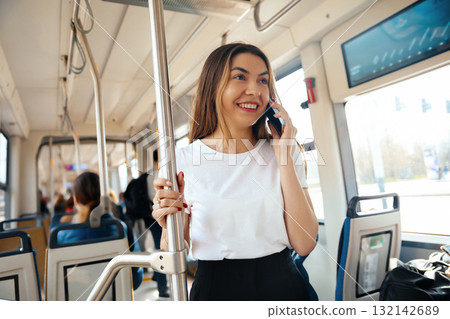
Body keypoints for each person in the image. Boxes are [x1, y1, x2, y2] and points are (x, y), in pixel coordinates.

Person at [152, 43, 319, 300]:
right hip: (215, 289)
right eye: (240, 77)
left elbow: (305, 242)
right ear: (213, 87)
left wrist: (283, 158)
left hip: (283, 285)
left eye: (263, 81)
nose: (254, 90)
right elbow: (174, 249)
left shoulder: (284, 149)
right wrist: (169, 225)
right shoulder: (179, 160)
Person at [51, 171, 143, 290]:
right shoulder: (121, 229)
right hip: (119, 294)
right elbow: (135, 277)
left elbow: (56, 283)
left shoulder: (61, 235)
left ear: (75, 199)